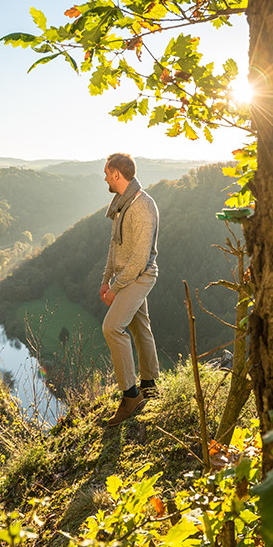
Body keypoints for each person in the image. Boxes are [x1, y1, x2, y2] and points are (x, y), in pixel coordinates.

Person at [100, 152, 160, 427]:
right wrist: (106, 278)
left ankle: (131, 395)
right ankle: (150, 385)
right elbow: (115, 245)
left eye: (107, 172)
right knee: (139, 327)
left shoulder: (144, 207)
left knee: (112, 328)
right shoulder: (122, 205)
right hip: (125, 275)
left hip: (140, 276)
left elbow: (139, 258)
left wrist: (116, 288)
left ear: (117, 174)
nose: (104, 177)